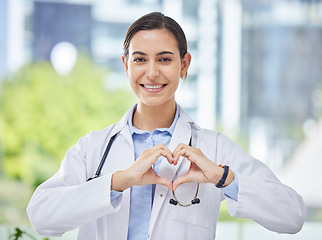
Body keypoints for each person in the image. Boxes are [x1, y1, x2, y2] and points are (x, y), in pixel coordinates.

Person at [27, 12, 306, 240]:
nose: (151, 72)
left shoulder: (214, 148)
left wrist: (223, 177)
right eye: (139, 59)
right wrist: (119, 181)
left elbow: (292, 216)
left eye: (164, 59)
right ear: (126, 65)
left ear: (184, 65)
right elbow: (41, 217)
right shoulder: (93, 148)